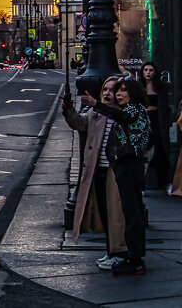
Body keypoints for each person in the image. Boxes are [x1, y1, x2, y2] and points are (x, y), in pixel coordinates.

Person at [80, 77, 151, 276]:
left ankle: (136, 260)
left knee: (132, 214)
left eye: (123, 91)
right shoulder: (130, 110)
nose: (119, 94)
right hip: (125, 167)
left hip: (130, 167)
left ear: (133, 93)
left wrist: (97, 104)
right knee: (129, 213)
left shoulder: (134, 110)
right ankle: (132, 257)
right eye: (117, 91)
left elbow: (121, 117)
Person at [62, 76, 127, 269]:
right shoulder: (95, 113)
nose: (107, 93)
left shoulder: (123, 113)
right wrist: (69, 110)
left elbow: (117, 116)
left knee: (117, 215)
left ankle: (120, 253)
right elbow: (80, 124)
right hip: (98, 169)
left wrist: (97, 104)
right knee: (106, 213)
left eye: (112, 90)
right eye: (105, 89)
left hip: (116, 171)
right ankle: (110, 251)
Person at [140, 62, 171, 189]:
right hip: (143, 121)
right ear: (142, 72)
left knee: (160, 152)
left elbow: (165, 106)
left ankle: (165, 182)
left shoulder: (160, 87)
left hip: (156, 120)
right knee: (141, 153)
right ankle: (141, 185)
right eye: (146, 70)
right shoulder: (138, 87)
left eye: (151, 70)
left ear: (155, 72)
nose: (148, 72)